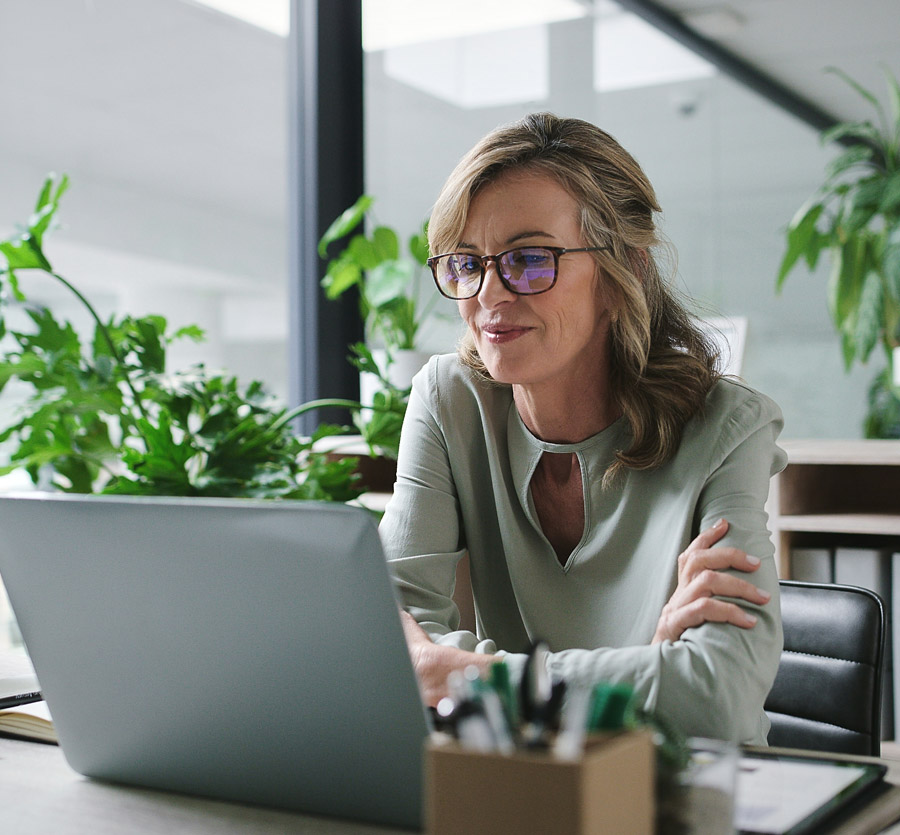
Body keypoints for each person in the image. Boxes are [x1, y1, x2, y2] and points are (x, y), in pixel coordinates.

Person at [380, 113, 786, 745]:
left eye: (529, 259)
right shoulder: (449, 401)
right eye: (466, 262)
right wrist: (645, 673)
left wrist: (462, 673)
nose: (489, 293)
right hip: (517, 791)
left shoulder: (728, 429)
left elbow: (716, 698)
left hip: (685, 799)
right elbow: (384, 651)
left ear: (623, 269)